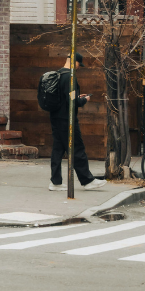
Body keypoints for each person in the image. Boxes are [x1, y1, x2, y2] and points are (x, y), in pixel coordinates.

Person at [42, 55, 106, 192]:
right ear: (74, 62)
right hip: (67, 119)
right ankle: (87, 181)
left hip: (56, 118)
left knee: (58, 150)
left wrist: (76, 97)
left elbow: (66, 97)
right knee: (77, 148)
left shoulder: (58, 75)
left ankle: (55, 182)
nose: (78, 67)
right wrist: (84, 100)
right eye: (78, 64)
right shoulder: (70, 77)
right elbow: (73, 102)